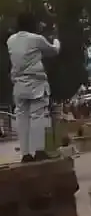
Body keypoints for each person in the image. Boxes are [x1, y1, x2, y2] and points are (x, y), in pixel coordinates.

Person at [7, 12, 59, 162]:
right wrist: (56, 40)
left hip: (18, 84)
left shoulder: (11, 40)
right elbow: (53, 51)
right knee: (37, 115)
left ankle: (25, 154)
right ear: (32, 25)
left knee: (21, 117)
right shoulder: (36, 39)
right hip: (36, 83)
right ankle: (39, 150)